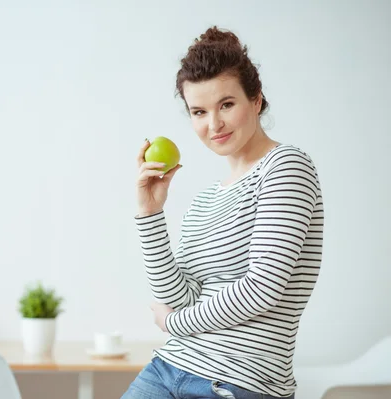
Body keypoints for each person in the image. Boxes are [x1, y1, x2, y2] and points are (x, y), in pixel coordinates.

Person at [123, 26, 324, 399]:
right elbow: (178, 297)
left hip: (236, 382)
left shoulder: (285, 167)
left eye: (226, 105)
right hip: (167, 368)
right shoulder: (205, 200)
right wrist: (150, 214)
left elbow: (262, 288)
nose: (213, 124)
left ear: (256, 101)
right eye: (199, 111)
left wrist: (173, 323)